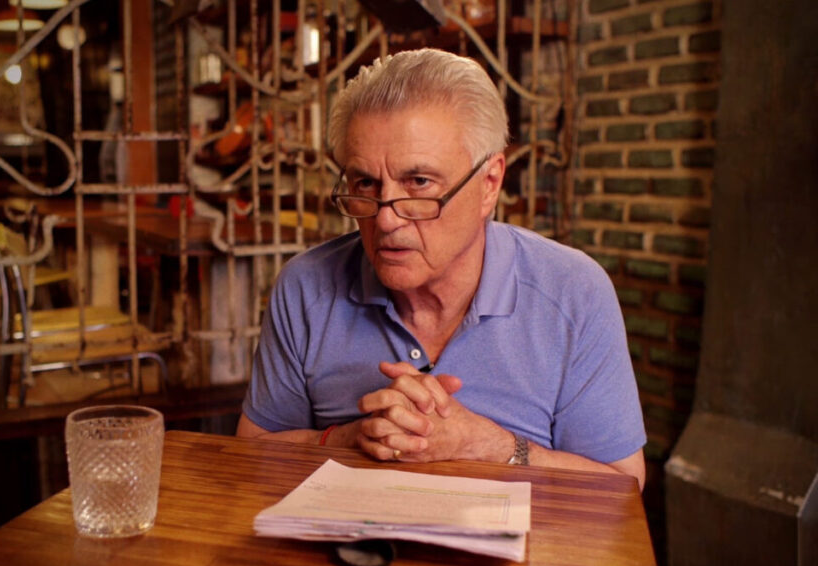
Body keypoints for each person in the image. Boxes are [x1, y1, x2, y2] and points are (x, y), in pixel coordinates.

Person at [236, 48, 646, 489]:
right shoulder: (306, 285)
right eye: (365, 184)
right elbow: (251, 453)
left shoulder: (573, 292)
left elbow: (622, 487)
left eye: (419, 183)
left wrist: (493, 448)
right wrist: (350, 438)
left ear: (489, 184)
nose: (386, 219)